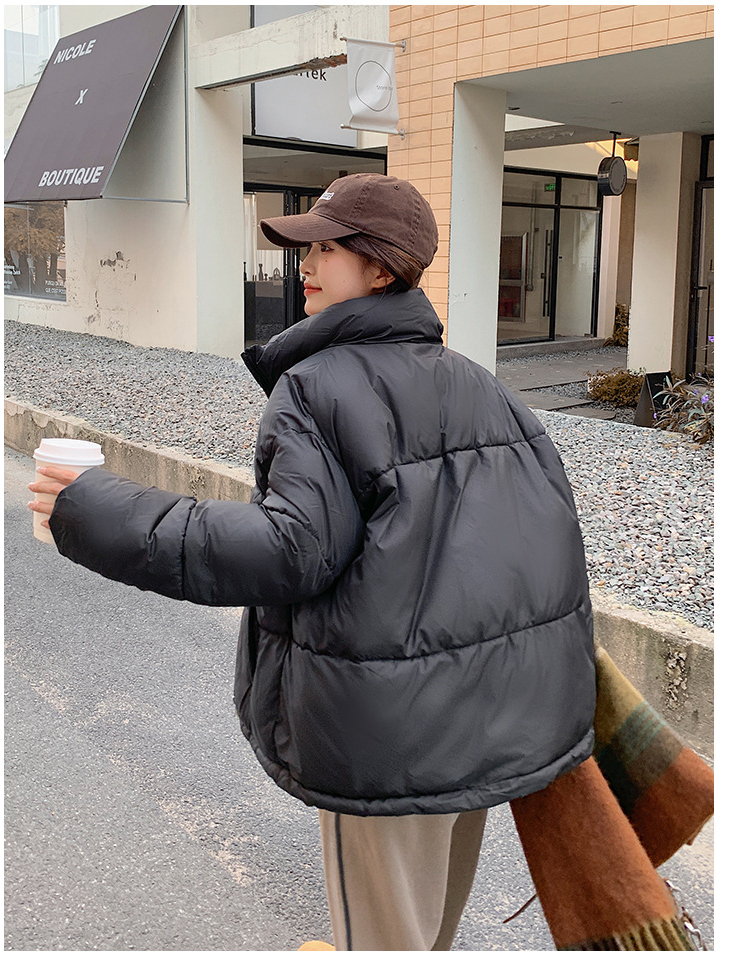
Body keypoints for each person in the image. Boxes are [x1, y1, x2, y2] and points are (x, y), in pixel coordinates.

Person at [29, 173, 596, 952]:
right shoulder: (481, 387)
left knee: (385, 941)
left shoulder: (318, 385)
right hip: (485, 718)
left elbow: (289, 550)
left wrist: (96, 509)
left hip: (389, 729)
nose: (305, 264)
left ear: (381, 268)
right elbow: (539, 550)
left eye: (326, 249)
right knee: (426, 932)